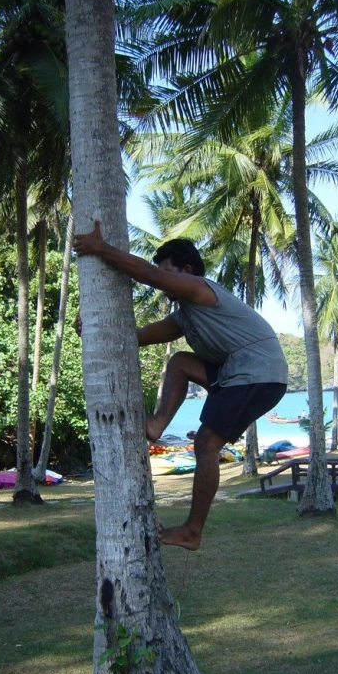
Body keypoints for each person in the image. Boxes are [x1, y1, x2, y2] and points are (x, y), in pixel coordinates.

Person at [74, 220, 288, 551]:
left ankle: (192, 531)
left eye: (169, 273)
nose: (164, 284)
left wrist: (101, 248)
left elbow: (150, 275)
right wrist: (93, 330)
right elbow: (137, 338)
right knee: (180, 363)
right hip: (239, 372)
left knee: (206, 444)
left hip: (258, 372)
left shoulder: (201, 288)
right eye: (164, 275)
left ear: (186, 270)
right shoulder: (185, 316)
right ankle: (157, 424)